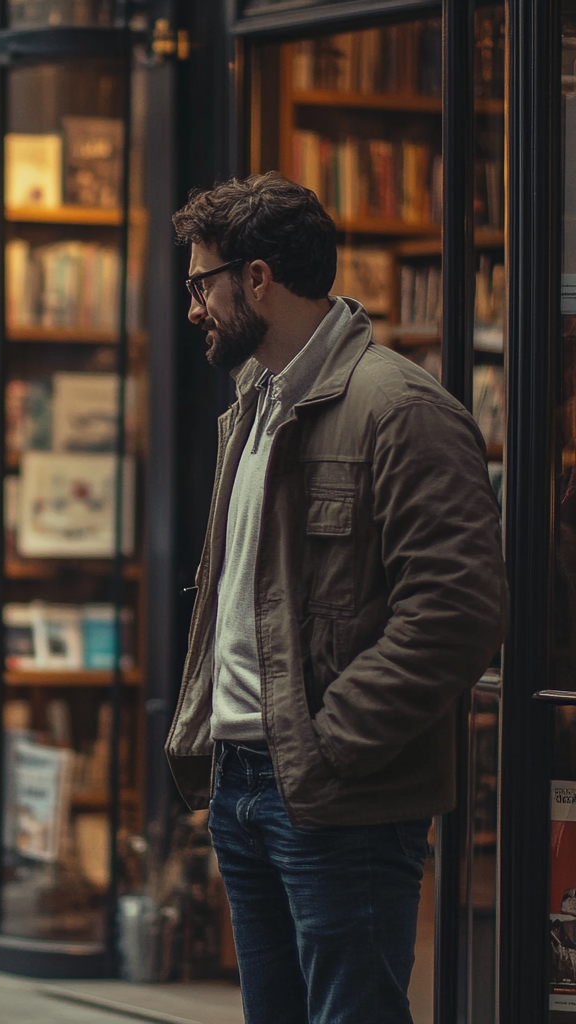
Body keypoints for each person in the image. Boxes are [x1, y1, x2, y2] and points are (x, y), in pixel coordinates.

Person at [165, 173, 508, 1024]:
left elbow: (456, 611)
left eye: (201, 284)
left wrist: (328, 745)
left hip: (338, 796)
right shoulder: (252, 406)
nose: (193, 308)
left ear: (257, 279)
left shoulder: (399, 410)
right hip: (245, 785)